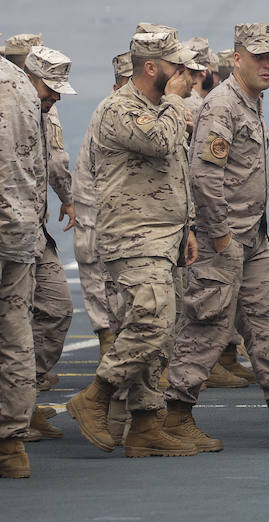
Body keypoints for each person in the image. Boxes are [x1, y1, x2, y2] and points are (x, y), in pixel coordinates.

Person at [163, 23, 269, 451]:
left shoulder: (249, 102)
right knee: (206, 326)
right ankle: (174, 416)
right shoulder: (223, 105)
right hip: (226, 238)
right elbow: (204, 176)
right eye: (259, 56)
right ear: (236, 59)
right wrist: (220, 236)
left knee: (268, 324)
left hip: (252, 237)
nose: (267, 65)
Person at [67, 29, 202, 458]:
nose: (183, 73)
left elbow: (177, 171)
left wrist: (189, 227)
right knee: (152, 320)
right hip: (135, 234)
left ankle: (145, 424)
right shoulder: (120, 109)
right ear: (150, 67)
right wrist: (179, 101)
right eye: (174, 66)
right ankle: (96, 397)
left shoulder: (160, 108)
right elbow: (161, 143)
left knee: (163, 331)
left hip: (166, 234)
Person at [19, 46, 77, 411]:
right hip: (11, 234)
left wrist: (66, 197)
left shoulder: (43, 112)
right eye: (50, 88)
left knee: (57, 307)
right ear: (28, 80)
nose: (55, 96)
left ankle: (23, 393)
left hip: (35, 233)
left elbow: (56, 160)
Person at [0, 38, 46, 478]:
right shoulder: (21, 83)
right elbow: (37, 164)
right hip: (18, 231)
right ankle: (11, 444)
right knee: (15, 334)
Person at [71, 53, 134, 359]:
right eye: (125, 84)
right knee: (101, 283)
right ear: (114, 86)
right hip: (98, 212)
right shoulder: (109, 113)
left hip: (121, 215)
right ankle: (108, 345)